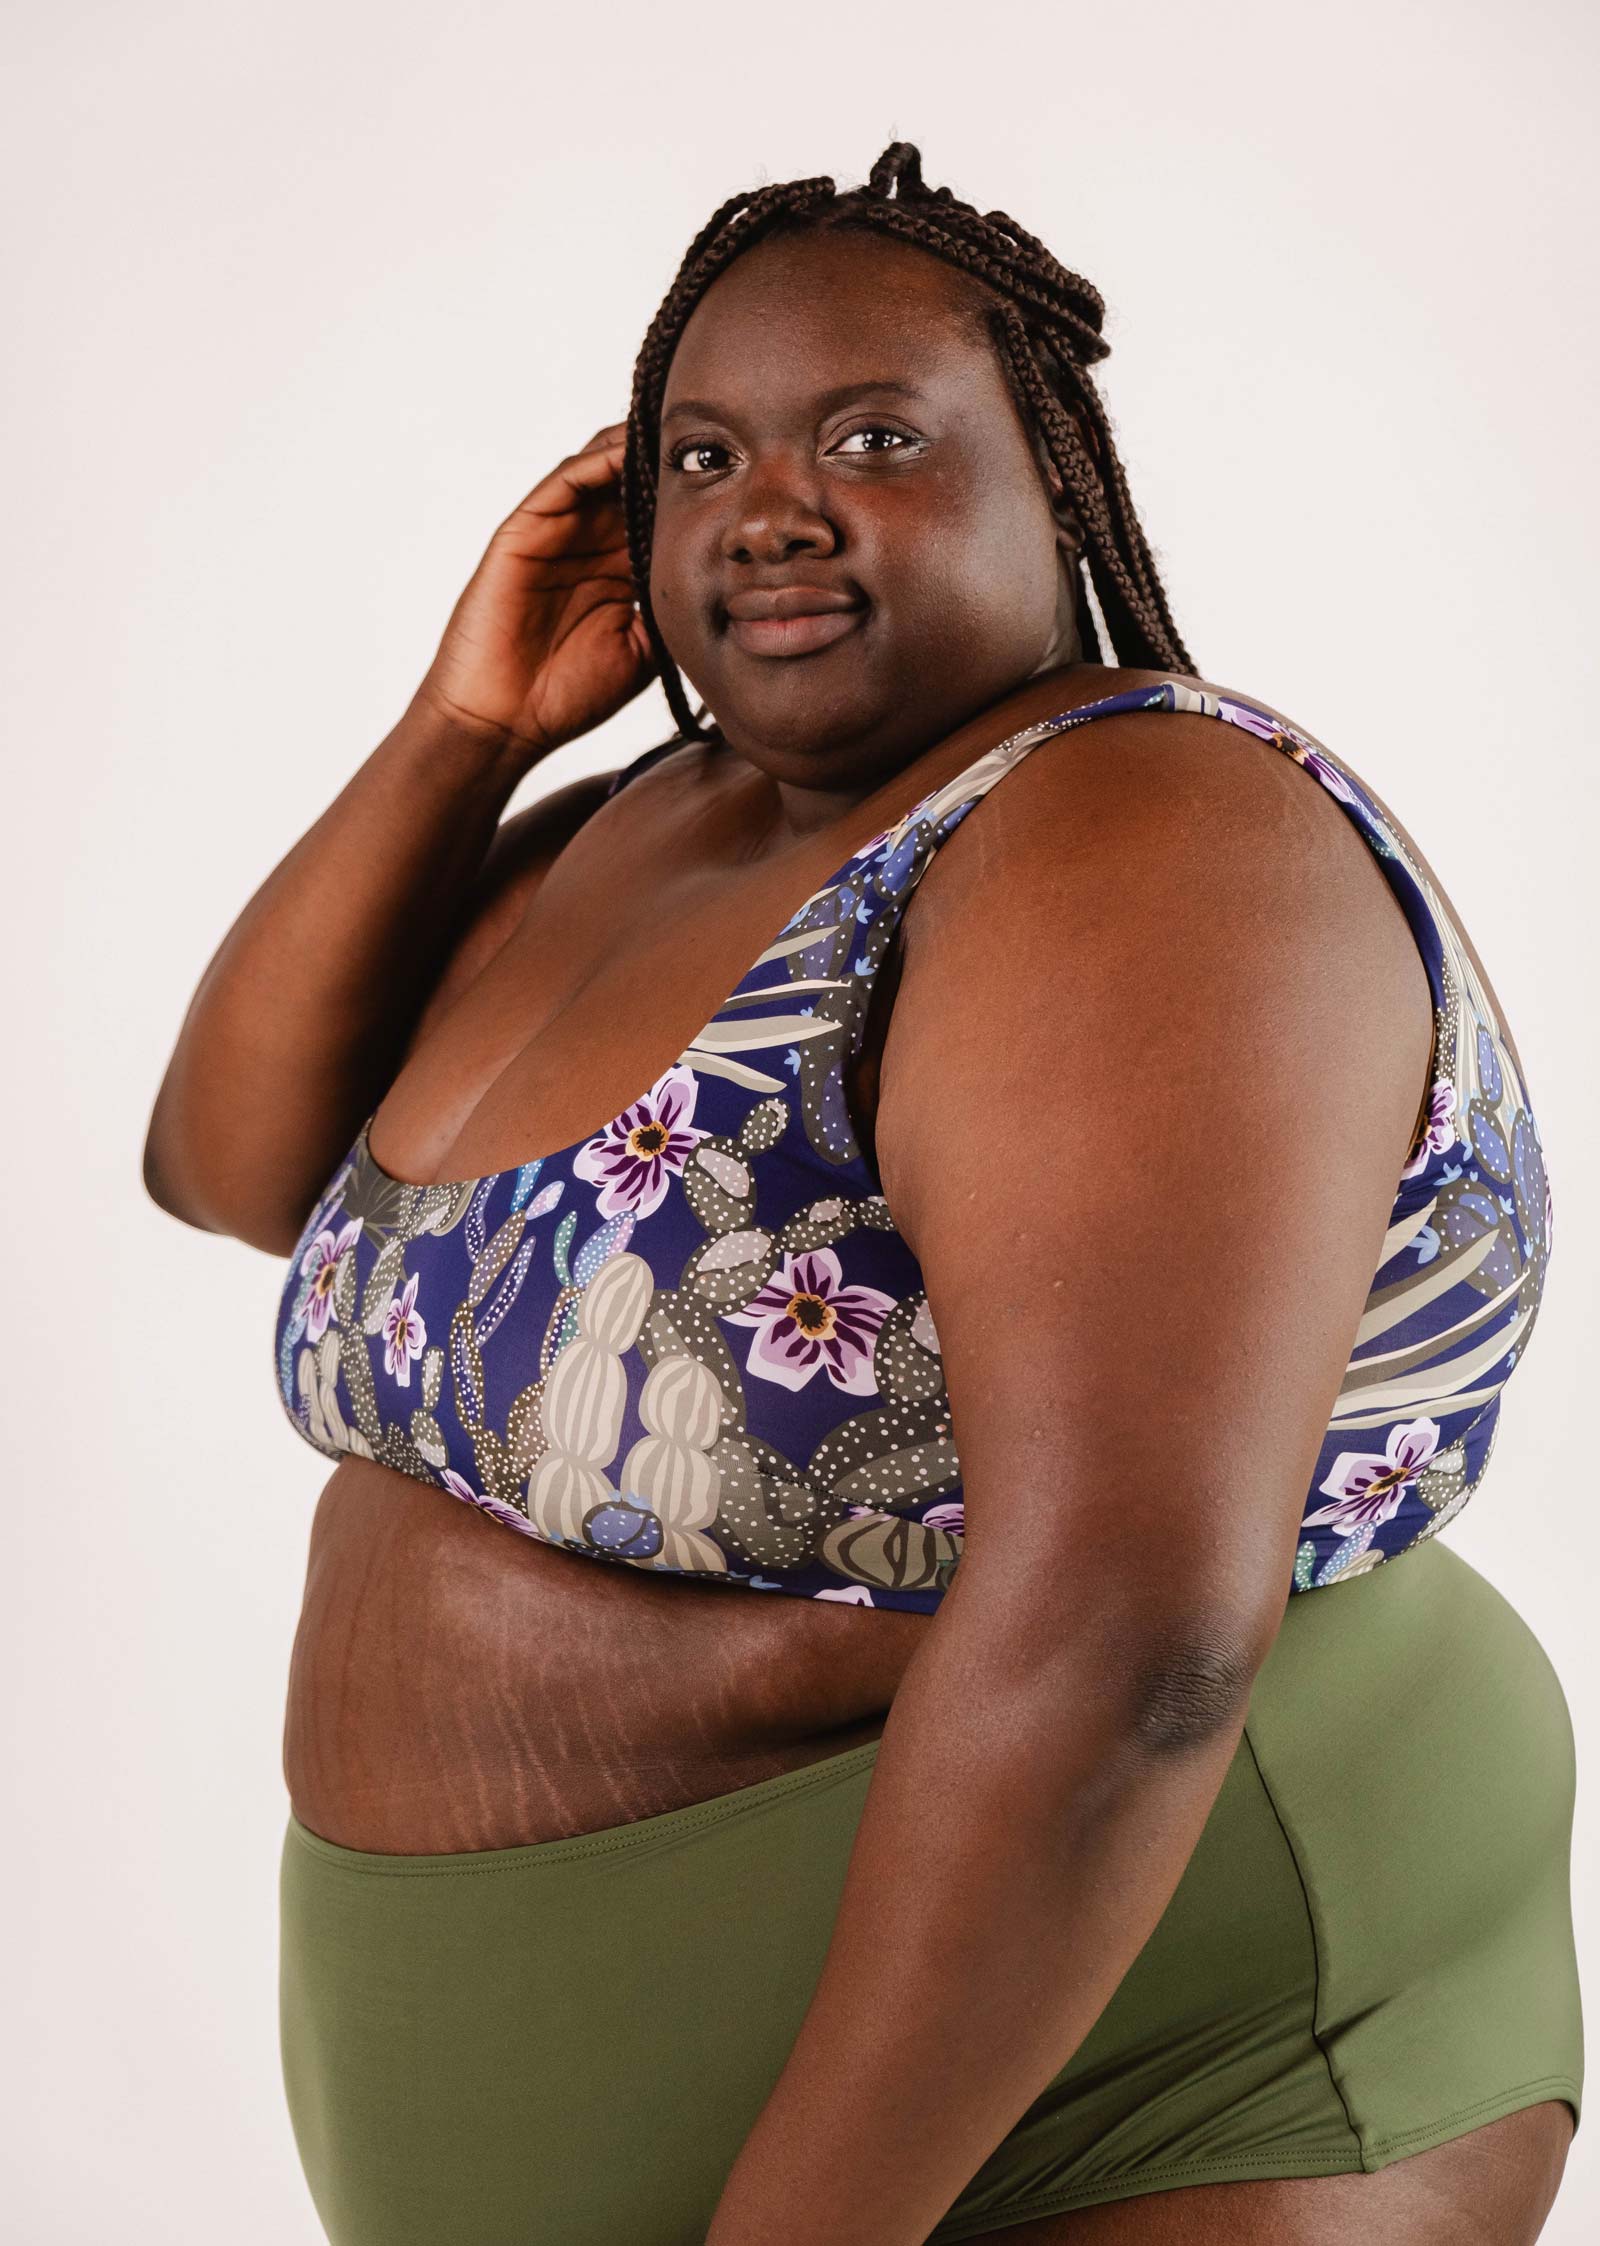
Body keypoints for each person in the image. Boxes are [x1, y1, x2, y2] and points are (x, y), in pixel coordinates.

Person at [143, 141, 1581, 2245]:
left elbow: (1132, 1637)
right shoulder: (636, 823)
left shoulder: (1133, 838)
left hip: (1147, 2059)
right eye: (702, 453)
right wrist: (462, 725)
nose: (772, 505)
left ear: (1056, 488)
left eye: (876, 437)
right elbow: (228, 1165)